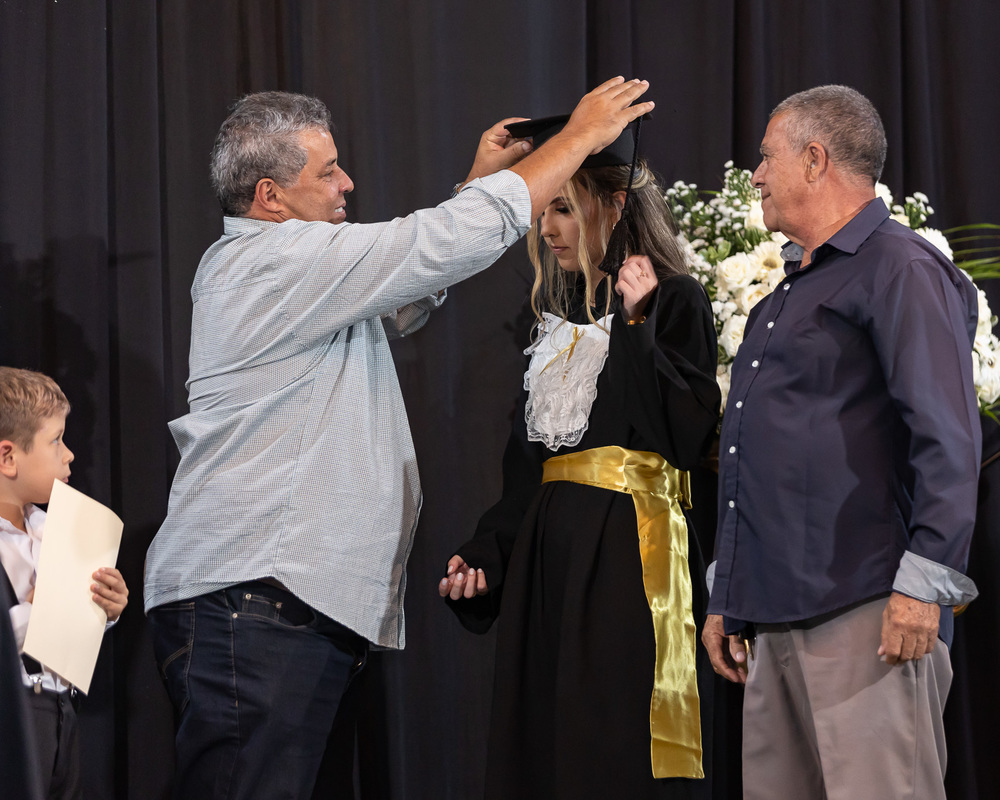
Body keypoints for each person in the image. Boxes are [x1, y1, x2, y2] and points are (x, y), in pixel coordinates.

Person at [142, 78, 653, 799]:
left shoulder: (293, 273)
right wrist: (577, 139)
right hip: (257, 605)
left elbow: (409, 287)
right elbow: (433, 246)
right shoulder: (273, 262)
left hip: (276, 607)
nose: (347, 183)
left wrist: (478, 184)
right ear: (270, 198)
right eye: (328, 171)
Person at [701, 85, 982, 800]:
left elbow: (946, 436)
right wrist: (729, 593)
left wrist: (923, 587)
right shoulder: (783, 296)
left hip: (866, 611)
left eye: (766, 157)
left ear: (815, 159)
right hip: (773, 614)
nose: (755, 175)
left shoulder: (900, 267)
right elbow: (754, 458)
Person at [440, 116, 721, 799]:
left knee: (613, 749)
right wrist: (486, 555)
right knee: (549, 752)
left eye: (563, 208)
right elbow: (527, 474)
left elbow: (685, 437)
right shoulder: (553, 327)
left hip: (627, 563)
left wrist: (637, 323)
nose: (547, 228)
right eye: (544, 212)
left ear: (614, 206)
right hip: (551, 567)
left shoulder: (674, 300)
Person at [0, 367, 129, 800]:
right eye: (56, 441)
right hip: (15, 713)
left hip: (61, 710)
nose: (69, 454)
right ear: (8, 457)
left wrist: (101, 609)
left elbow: (70, 633)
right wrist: (40, 610)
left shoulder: (54, 530)